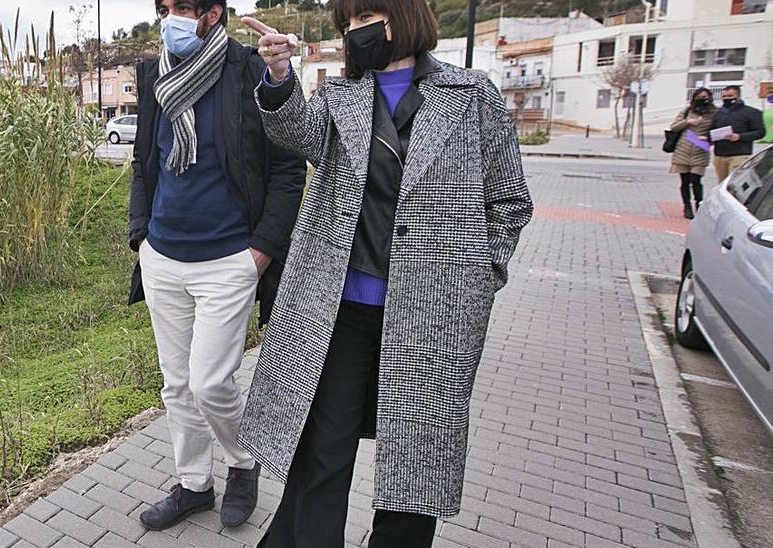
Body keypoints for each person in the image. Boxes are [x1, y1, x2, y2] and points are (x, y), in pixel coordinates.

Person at [236, 0, 533, 545]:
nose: (357, 31)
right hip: (339, 313)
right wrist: (279, 75)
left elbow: (509, 201)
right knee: (322, 453)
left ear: (406, 17)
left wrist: (476, 280)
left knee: (413, 475)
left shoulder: (472, 97)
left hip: (431, 320)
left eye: (366, 15)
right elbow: (299, 138)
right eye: (347, 24)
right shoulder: (340, 96)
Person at [126, 0, 306, 532]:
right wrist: (141, 237)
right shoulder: (154, 71)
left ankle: (243, 462)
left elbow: (288, 166)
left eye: (184, 7)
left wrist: (262, 250)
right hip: (163, 255)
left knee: (209, 383)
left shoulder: (247, 71)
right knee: (176, 386)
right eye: (165, 7)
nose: (172, 18)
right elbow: (145, 159)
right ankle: (193, 485)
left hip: (229, 258)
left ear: (213, 13)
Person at [670, 88, 716, 219]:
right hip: (683, 149)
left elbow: (718, 129)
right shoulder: (687, 111)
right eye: (700, 97)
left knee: (696, 180)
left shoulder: (714, 113)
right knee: (684, 181)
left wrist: (708, 137)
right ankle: (687, 206)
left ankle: (698, 204)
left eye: (705, 97)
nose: (702, 99)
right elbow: (674, 127)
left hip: (700, 150)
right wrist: (688, 122)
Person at [710, 85, 767, 182]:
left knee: (735, 182)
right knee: (722, 184)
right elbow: (711, 129)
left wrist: (740, 137)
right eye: (724, 96)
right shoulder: (718, 112)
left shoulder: (752, 112)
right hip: (719, 155)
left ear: (738, 96)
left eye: (730, 96)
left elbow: (760, 132)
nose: (726, 99)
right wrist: (706, 137)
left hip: (739, 154)